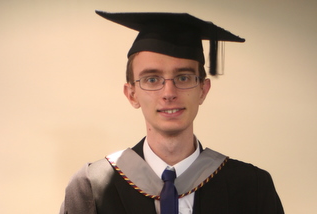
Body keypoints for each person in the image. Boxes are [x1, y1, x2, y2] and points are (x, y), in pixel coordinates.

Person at [59, 11, 284, 214]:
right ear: (132, 94)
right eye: (152, 79)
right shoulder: (90, 188)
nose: (169, 92)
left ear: (203, 90)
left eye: (183, 78)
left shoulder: (252, 188)